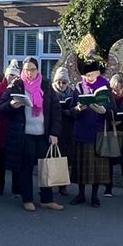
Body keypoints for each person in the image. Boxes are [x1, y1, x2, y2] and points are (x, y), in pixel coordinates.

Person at [0, 56, 63, 212]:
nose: (29, 73)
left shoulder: (46, 85)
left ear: (38, 70)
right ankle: (27, 199)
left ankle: (47, 199)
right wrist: (11, 105)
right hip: (24, 134)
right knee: (25, 168)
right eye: (26, 70)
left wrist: (54, 133)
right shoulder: (16, 85)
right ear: (23, 70)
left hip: (43, 134)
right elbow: (1, 108)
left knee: (45, 168)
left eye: (32, 69)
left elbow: (55, 112)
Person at [70, 59, 116, 208]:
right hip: (82, 130)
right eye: (87, 74)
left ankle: (95, 196)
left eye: (92, 74)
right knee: (81, 165)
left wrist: (105, 111)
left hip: (97, 132)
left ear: (98, 72)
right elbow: (70, 110)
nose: (89, 77)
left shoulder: (105, 87)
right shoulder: (78, 87)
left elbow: (113, 110)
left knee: (97, 166)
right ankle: (81, 194)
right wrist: (77, 109)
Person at [0, 59, 21, 196]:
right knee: (1, 158)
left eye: (16, 76)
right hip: (2, 127)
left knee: (16, 157)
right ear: (6, 75)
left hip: (15, 128)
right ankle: (0, 184)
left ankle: (16, 185)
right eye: (11, 75)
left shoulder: (21, 87)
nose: (13, 78)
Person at [51, 66, 75, 196]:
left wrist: (70, 111)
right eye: (58, 82)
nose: (61, 85)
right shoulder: (50, 92)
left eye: (64, 82)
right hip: (54, 129)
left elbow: (76, 110)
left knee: (64, 159)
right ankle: (50, 184)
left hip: (67, 130)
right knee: (52, 157)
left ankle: (63, 185)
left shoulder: (72, 93)